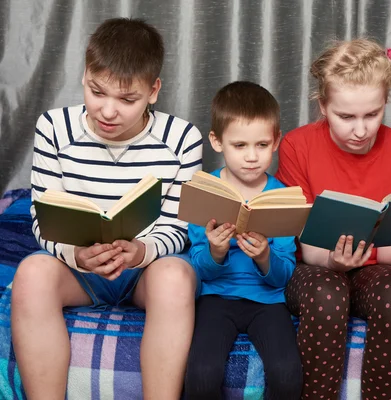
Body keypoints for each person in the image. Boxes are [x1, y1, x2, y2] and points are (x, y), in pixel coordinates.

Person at [11, 18, 203, 400]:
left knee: (176, 278)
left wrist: (141, 252)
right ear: (84, 75)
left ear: (153, 91)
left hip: (144, 271)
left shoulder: (183, 138)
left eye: (127, 100)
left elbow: (180, 227)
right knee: (31, 272)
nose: (108, 111)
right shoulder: (54, 127)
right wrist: (78, 256)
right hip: (77, 270)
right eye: (96, 92)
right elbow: (42, 218)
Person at [276, 38, 391, 399]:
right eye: (345, 117)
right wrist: (333, 261)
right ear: (322, 105)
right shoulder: (298, 146)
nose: (360, 130)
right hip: (314, 268)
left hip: (377, 272)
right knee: (327, 290)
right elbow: (305, 247)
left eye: (372, 115)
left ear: (385, 103)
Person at [183, 81, 302, 399]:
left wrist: (264, 256)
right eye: (240, 146)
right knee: (201, 374)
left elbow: (284, 275)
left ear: (276, 141)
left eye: (262, 145)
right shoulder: (206, 191)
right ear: (217, 141)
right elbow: (199, 270)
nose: (252, 157)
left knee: (288, 374)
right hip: (215, 299)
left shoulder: (281, 196)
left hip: (269, 302)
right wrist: (216, 251)